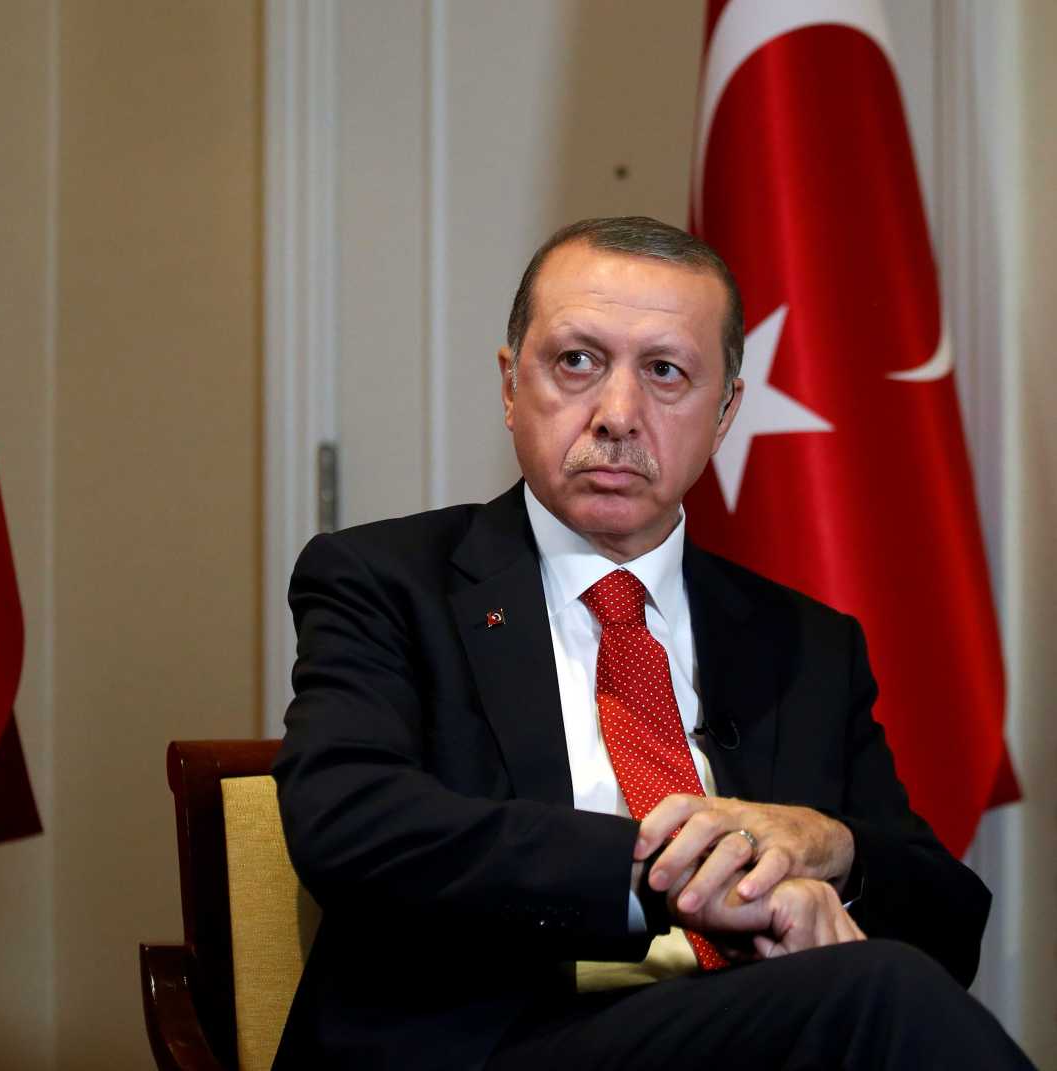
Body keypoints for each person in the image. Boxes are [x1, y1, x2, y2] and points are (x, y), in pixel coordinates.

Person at [270, 217, 1033, 1069]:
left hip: (753, 1033)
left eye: (666, 371)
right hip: (486, 1042)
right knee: (876, 993)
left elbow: (948, 926)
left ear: (726, 411)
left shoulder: (806, 643)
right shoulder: (387, 580)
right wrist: (667, 877)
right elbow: (347, 821)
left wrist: (833, 850)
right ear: (510, 386)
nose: (618, 415)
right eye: (577, 362)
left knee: (884, 988)